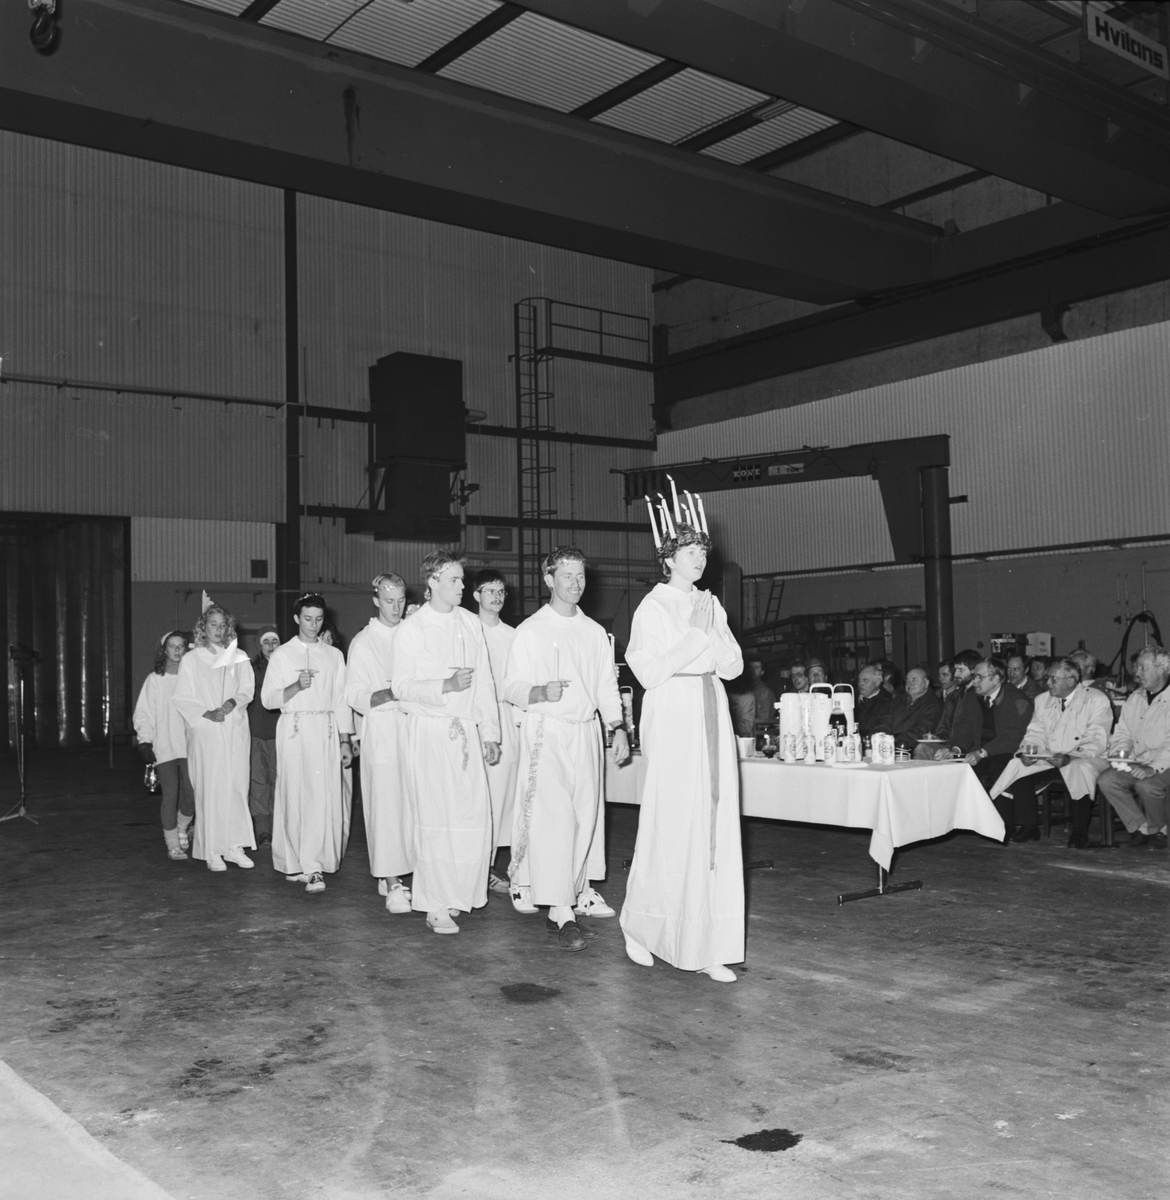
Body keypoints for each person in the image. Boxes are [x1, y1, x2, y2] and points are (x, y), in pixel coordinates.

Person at [622, 501, 744, 984]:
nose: (699, 559)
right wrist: (695, 638)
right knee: (671, 823)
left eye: (702, 552)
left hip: (711, 707)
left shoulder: (710, 603)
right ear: (668, 559)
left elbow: (732, 666)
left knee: (713, 826)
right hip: (674, 712)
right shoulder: (652, 607)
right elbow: (649, 672)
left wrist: (712, 632)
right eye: (690, 551)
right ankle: (642, 927)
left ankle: (707, 943)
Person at [502, 547, 628, 951]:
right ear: (549, 580)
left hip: (585, 732)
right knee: (553, 820)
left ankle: (571, 896)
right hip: (547, 730)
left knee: (584, 817)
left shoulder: (593, 632)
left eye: (580, 575)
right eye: (567, 576)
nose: (575, 583)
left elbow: (606, 685)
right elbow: (511, 686)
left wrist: (617, 726)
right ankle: (561, 910)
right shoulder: (532, 630)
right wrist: (540, 691)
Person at [391, 551, 501, 935]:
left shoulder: (471, 624)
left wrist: (490, 732)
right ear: (433, 581)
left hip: (465, 732)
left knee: (469, 815)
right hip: (430, 731)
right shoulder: (413, 628)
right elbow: (401, 687)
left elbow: (484, 682)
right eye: (454, 580)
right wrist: (446, 685)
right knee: (435, 818)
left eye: (462, 579)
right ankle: (434, 904)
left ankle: (458, 894)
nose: (462, 586)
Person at [262, 594, 354, 894]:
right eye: (307, 619)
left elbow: (341, 700)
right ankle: (294, 862)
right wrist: (294, 686)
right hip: (294, 728)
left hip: (324, 730)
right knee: (293, 795)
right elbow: (268, 699)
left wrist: (345, 740)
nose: (313, 625)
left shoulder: (333, 656)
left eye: (318, 619)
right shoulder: (282, 655)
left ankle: (315, 866)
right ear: (296, 619)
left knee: (320, 797)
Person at [345, 574, 414, 913]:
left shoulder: (413, 634)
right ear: (376, 601)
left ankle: (408, 870)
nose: (396, 607)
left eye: (401, 600)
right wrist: (389, 692)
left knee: (412, 805)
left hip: (414, 728)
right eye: (389, 601)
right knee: (385, 806)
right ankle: (391, 881)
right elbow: (354, 694)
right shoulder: (363, 642)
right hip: (383, 729)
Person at [989, 657, 1111, 845]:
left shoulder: (1096, 699)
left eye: (1054, 679)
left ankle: (1079, 831)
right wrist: (1029, 752)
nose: (1048, 683)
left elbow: (1097, 737)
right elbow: (1035, 732)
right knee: (1019, 765)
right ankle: (1029, 826)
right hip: (1051, 757)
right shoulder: (1043, 700)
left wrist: (1071, 756)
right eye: (1048, 678)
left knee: (1080, 769)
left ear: (1070, 681)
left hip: (1086, 756)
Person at [172, 604, 256, 872]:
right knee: (211, 789)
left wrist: (233, 701)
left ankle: (234, 846)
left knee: (236, 786)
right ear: (203, 628)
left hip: (234, 730)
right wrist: (206, 713)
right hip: (207, 732)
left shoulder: (238, 657)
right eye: (213, 624)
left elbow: (247, 689)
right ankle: (212, 850)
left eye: (223, 625)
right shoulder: (192, 659)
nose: (218, 630)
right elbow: (182, 697)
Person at [472, 568, 523, 903]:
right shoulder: (466, 629)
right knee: (480, 799)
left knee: (505, 797)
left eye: (501, 591)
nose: (497, 597)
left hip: (507, 718)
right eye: (490, 591)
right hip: (476, 718)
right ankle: (475, 868)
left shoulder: (513, 635)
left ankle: (493, 867)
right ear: (476, 595)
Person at [1096, 646, 1170, 850]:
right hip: (1141, 760)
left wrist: (1153, 768)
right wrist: (1120, 754)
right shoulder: (1136, 697)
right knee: (1107, 780)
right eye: (1136, 668)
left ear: (1162, 668)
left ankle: (1160, 830)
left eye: (1143, 668)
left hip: (1165, 762)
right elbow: (1123, 732)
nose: (1137, 673)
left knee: (1147, 786)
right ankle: (1141, 827)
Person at [133, 630, 195, 860]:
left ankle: (182, 826)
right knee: (170, 794)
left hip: (189, 745)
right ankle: (172, 844)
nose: (177, 650)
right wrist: (145, 741)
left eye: (181, 646)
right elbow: (144, 713)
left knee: (192, 793)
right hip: (165, 745)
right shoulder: (155, 680)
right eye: (172, 646)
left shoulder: (192, 678)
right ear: (164, 650)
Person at [944, 656, 1033, 800]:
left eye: (980, 677)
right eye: (974, 676)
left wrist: (982, 753)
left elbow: (1012, 738)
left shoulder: (1017, 700)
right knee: (948, 769)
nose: (975, 681)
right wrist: (956, 749)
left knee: (996, 766)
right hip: (977, 753)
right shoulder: (971, 697)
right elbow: (963, 727)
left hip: (1005, 753)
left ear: (996, 679)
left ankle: (1001, 814)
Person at [247, 625, 281, 848]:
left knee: (279, 781)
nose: (270, 646)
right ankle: (263, 831)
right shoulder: (251, 669)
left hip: (280, 733)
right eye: (266, 642)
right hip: (256, 733)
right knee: (259, 782)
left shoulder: (286, 666)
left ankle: (279, 829)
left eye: (274, 641)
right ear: (260, 646)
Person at [916, 649, 981, 759]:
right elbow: (944, 727)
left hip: (968, 749)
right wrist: (936, 737)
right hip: (950, 745)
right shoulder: (952, 697)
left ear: (973, 671)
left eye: (960, 670)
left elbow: (973, 732)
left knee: (922, 749)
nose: (956, 674)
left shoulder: (979, 696)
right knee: (922, 747)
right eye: (955, 670)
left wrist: (954, 748)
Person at [875, 666, 942, 751]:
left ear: (926, 683)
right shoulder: (897, 701)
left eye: (915, 680)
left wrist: (893, 741)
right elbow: (884, 721)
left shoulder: (934, 704)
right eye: (907, 681)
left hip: (912, 749)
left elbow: (921, 730)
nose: (910, 684)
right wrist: (880, 737)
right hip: (888, 746)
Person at [730, 658, 778, 738]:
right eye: (750, 667)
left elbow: (764, 721)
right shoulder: (741, 690)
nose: (752, 670)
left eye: (756, 668)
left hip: (757, 735)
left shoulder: (765, 692)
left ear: (762, 672)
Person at [855, 664, 891, 739]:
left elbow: (880, 729)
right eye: (859, 680)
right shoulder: (852, 696)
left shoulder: (885, 702)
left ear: (877, 682)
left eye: (865, 680)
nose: (860, 684)